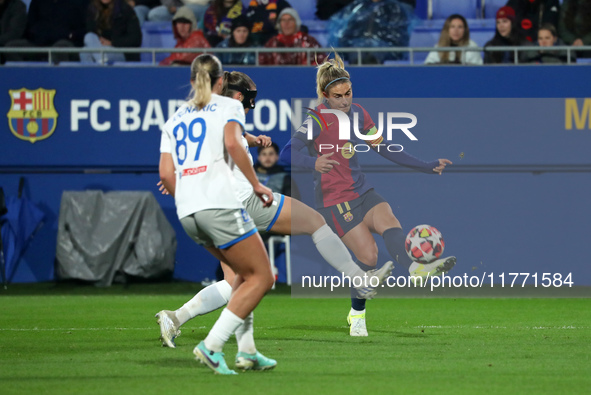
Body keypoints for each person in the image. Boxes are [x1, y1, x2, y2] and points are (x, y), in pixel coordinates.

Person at [155, 70, 394, 351]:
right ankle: (359, 278)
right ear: (239, 96)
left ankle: (175, 317)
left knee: (234, 283)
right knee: (315, 221)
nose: (251, 105)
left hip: (214, 211)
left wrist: (252, 140)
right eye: (250, 98)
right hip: (244, 202)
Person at [280, 53, 457, 336]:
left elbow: (384, 146)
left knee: (389, 221)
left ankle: (415, 268)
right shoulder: (317, 120)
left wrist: (425, 166)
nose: (345, 100)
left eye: (348, 93)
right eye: (338, 96)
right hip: (335, 201)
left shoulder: (359, 113)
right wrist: (313, 162)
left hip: (362, 190)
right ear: (325, 96)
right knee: (370, 257)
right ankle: (357, 315)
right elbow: (286, 152)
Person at [158, 54, 277, 375]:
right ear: (221, 81)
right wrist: (257, 185)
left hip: (187, 212)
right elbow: (232, 144)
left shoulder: (175, 119)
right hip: (220, 206)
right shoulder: (229, 107)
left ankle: (248, 351)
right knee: (263, 277)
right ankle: (211, 346)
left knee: (241, 276)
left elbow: (166, 176)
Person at [4, 0, 88, 63]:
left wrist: (70, 35)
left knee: (59, 49)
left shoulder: (77, 3)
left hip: (65, 42)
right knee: (11, 47)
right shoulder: (38, 2)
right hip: (39, 43)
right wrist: (39, 37)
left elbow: (83, 30)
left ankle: (60, 83)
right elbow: (30, 26)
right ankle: (23, 80)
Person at [259, 7, 326, 66]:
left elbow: (322, 63)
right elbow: (261, 66)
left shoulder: (308, 41)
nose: (286, 23)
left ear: (296, 22)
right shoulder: (272, 43)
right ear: (279, 24)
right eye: (283, 20)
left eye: (290, 20)